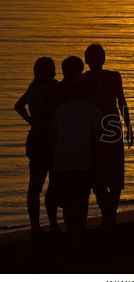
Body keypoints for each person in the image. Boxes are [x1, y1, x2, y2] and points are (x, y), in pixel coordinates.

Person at [82, 43, 134, 230]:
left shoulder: (110, 77)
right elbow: (122, 102)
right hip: (102, 131)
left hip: (109, 130)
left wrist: (128, 126)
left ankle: (109, 217)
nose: (95, 61)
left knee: (110, 176)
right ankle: (109, 216)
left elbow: (122, 102)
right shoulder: (86, 79)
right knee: (103, 176)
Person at [14, 57, 60, 243]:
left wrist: (32, 122)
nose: (54, 72)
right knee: (50, 185)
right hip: (46, 141)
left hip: (34, 138)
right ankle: (52, 226)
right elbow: (53, 111)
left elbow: (18, 106)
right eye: (51, 69)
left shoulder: (33, 87)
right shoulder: (47, 89)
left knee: (35, 187)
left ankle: (36, 228)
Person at [52, 77, 103, 242]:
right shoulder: (93, 111)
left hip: (62, 161)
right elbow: (98, 139)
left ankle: (71, 231)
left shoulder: (62, 109)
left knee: (68, 201)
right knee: (81, 199)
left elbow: (55, 133)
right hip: (83, 161)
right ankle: (78, 231)